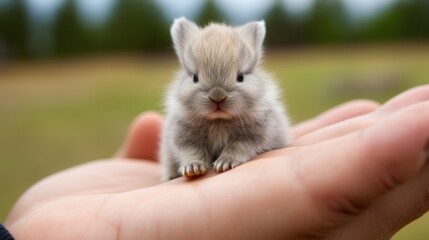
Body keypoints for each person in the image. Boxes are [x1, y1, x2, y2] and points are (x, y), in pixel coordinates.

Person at [3, 85, 429, 240]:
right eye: (199, 80)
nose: (217, 95)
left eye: (237, 79)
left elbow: (262, 137)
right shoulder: (184, 119)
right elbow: (182, 143)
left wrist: (239, 153)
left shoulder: (258, 114)